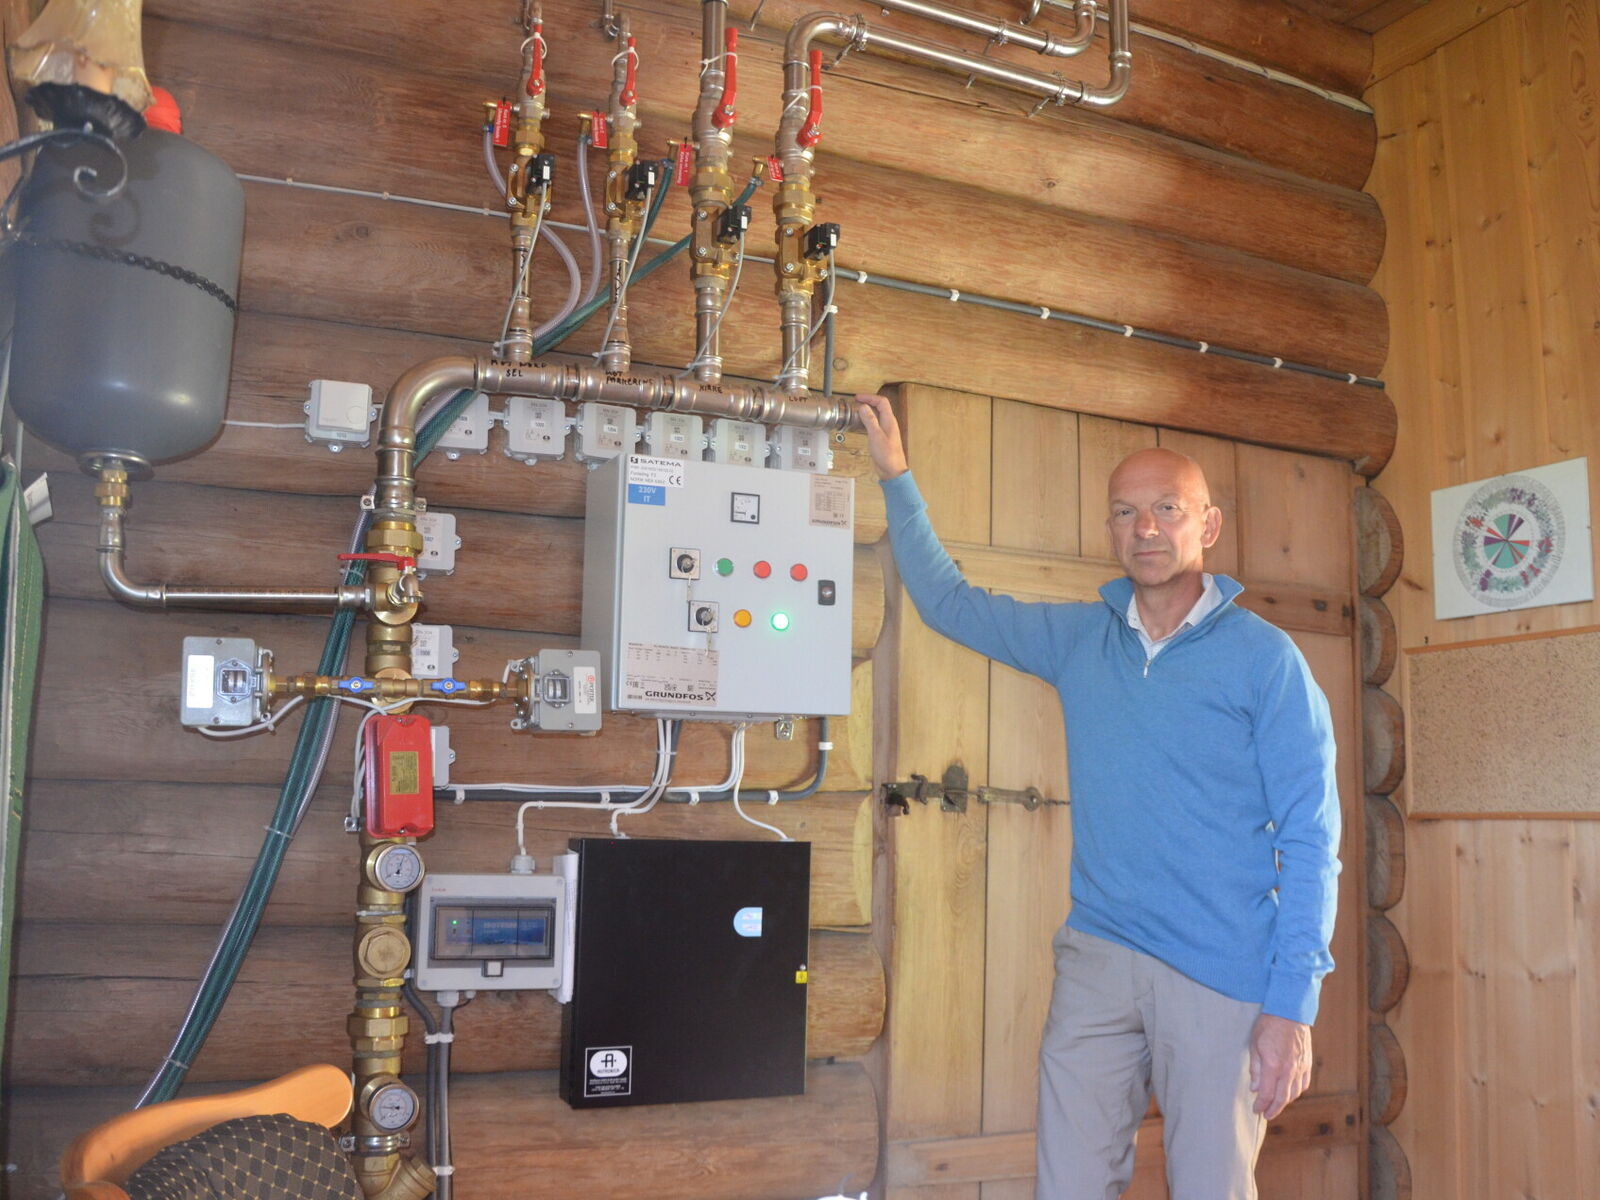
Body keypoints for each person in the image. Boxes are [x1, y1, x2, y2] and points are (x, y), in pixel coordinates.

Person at [854, 393, 1341, 1200]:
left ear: (1206, 527)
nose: (1144, 527)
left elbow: (1313, 837)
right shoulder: (1082, 639)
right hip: (1098, 958)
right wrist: (896, 479)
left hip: (1222, 975)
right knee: (1070, 1186)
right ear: (1112, 530)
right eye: (1126, 512)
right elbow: (949, 605)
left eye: (1165, 509)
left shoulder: (1267, 660)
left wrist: (1291, 1004)